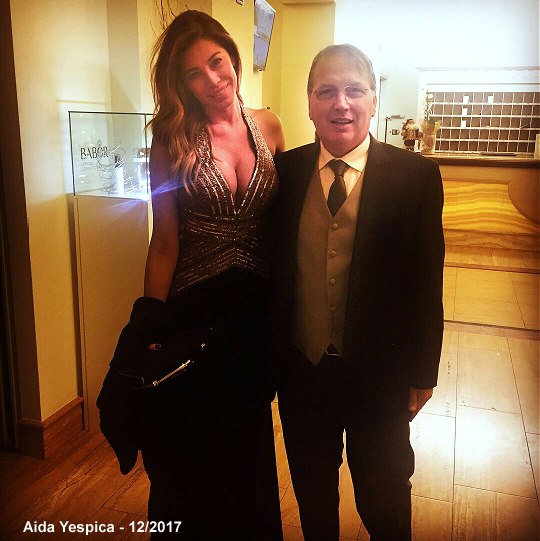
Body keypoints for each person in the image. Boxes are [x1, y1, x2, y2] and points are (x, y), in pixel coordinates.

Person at [270, 44, 444, 541]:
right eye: (326, 91)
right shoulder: (284, 174)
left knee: (384, 495)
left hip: (381, 376)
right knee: (312, 493)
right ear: (309, 102)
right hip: (303, 373)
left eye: (353, 90)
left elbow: (426, 282)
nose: (340, 103)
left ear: (373, 99)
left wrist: (422, 372)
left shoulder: (415, 177)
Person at [138, 9, 284, 540]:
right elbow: (164, 241)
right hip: (195, 314)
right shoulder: (169, 140)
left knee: (247, 446)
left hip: (256, 316)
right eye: (194, 73)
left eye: (217, 62)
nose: (212, 80)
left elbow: (284, 224)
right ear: (181, 85)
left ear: (233, 58)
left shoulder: (269, 125)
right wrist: (149, 326)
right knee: (192, 449)